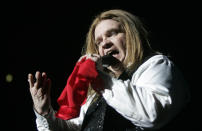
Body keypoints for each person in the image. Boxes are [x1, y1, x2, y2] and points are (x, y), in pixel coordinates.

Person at [28, 9, 190, 131]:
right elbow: (73, 128)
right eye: (98, 42)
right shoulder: (98, 92)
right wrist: (44, 112)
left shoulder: (156, 66)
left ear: (131, 36)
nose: (104, 44)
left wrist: (100, 78)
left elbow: (151, 115)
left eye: (112, 34)